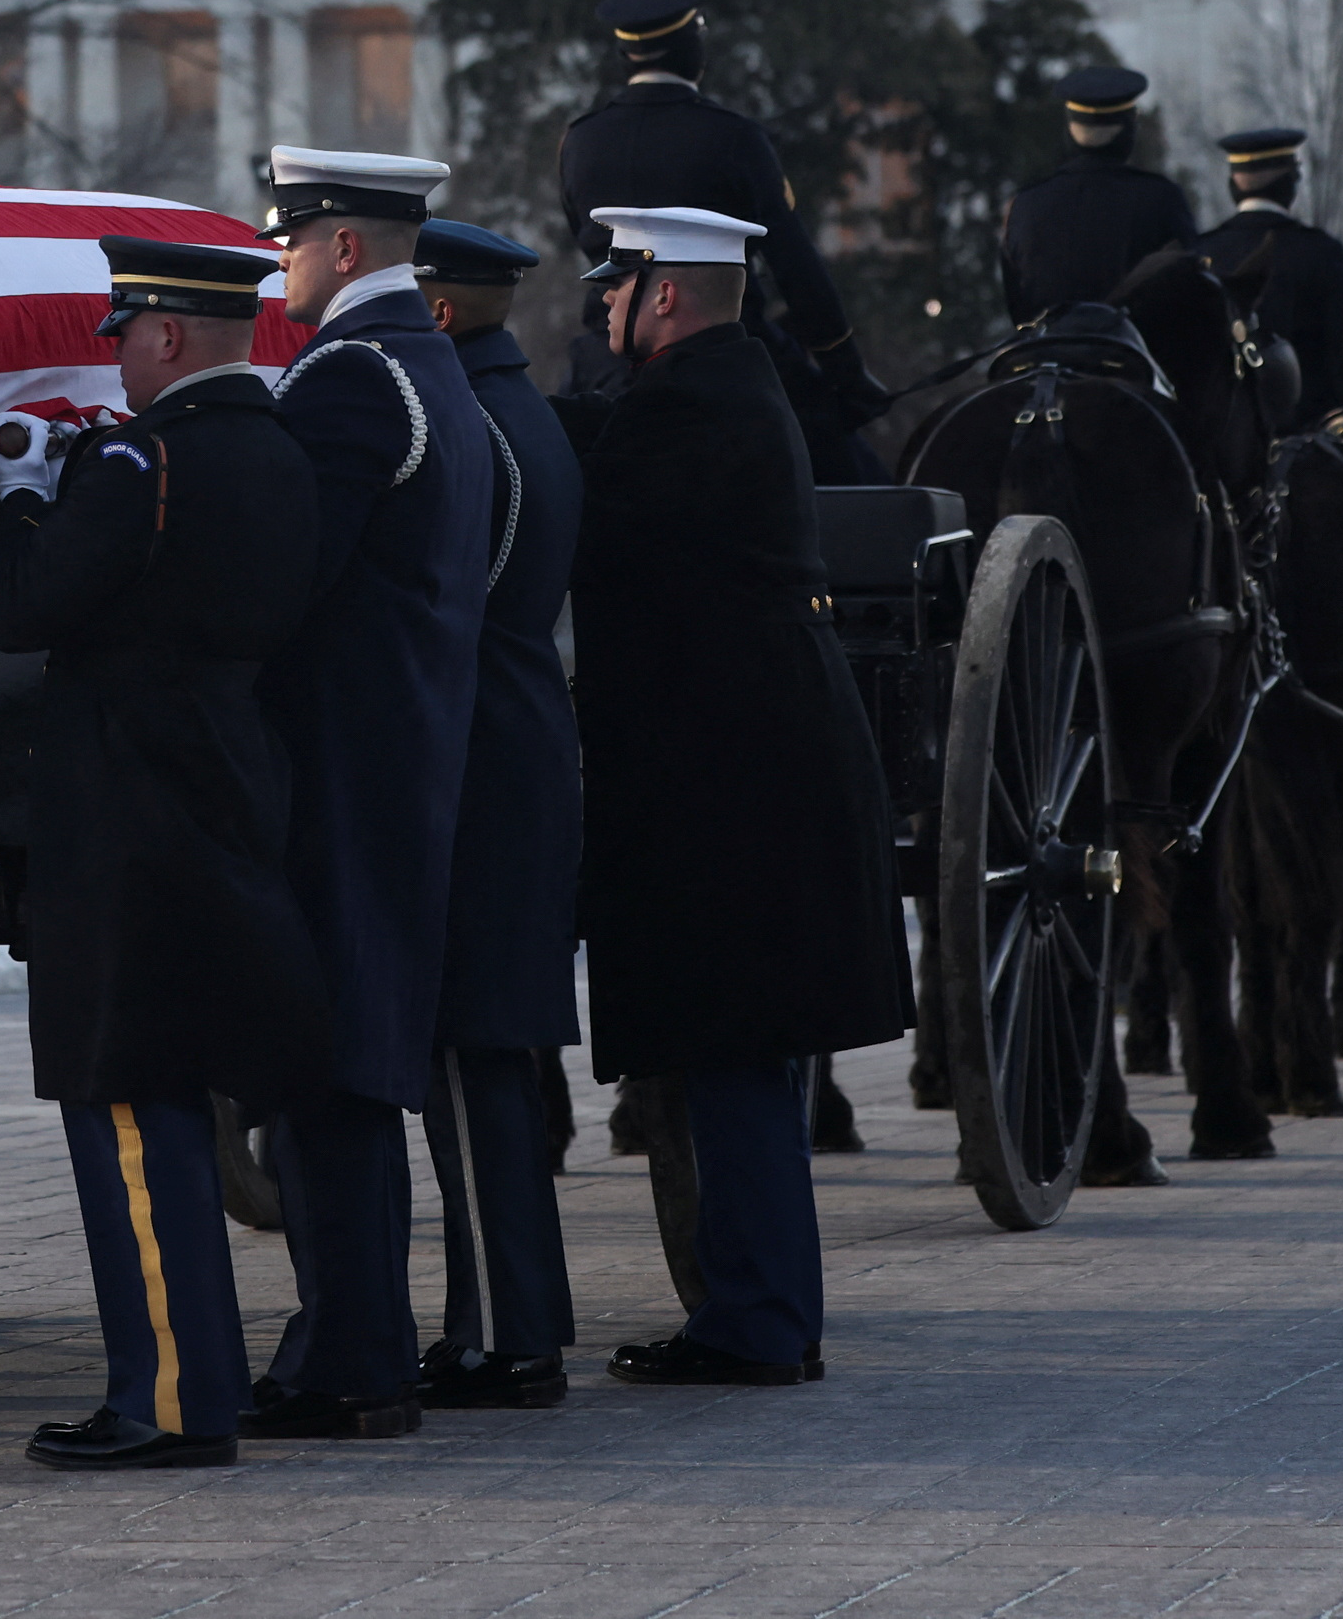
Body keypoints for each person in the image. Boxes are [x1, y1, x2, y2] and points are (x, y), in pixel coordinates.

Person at [0, 236, 334, 1470]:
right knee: (167, 1087)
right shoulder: (280, 453)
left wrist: (18, 493)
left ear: (167, 336)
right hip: (225, 785)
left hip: (124, 813)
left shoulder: (141, 460)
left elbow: (24, 605)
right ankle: (193, 1381)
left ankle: (172, 1397)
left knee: (129, 1094)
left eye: (126, 334)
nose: (119, 356)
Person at [570, 203, 913, 1384]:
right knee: (741, 1065)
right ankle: (759, 1311)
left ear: (662, 292)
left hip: (733, 797)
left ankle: (755, 1320)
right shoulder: (730, 385)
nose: (600, 310)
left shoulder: (686, 403)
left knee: (733, 1058)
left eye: (612, 288)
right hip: (756, 778)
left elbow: (588, 507)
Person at [243, 147, 498, 1439]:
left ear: (344, 247)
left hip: (337, 763)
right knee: (358, 1061)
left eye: (291, 239)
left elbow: (278, 575)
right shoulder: (435, 370)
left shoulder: (350, 378)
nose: (279, 259)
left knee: (330, 1072)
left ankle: (348, 1358)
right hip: (402, 755)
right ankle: (355, 1343)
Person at [409, 215, 584, 1407]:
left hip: (478, 760)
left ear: (435, 311)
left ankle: (503, 1336)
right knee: (491, 1065)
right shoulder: (518, 406)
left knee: (475, 1064)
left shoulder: (468, 424)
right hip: (517, 747)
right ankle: (510, 1317)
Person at [552, 0, 884, 466]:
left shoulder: (580, 141)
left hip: (606, 353)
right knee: (860, 477)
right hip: (726, 346)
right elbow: (796, 266)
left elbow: (588, 243)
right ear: (694, 47)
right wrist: (846, 372)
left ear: (627, 56)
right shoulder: (734, 138)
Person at [1192, 128, 1343, 415]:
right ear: (1291, 184)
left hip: (1219, 442)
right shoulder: (1320, 252)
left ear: (1233, 184)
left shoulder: (1201, 252)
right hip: (1305, 438)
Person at [999, 66, 1197, 322]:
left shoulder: (1025, 205)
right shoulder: (1163, 200)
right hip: (1138, 355)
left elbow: (1017, 303)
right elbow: (1191, 292)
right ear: (1129, 130)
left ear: (1069, 129)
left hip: (1044, 356)